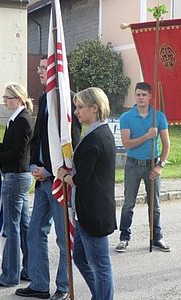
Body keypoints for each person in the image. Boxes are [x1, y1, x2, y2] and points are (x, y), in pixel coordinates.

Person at [15, 56, 81, 300]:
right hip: (41, 179)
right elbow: (38, 138)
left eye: (45, 68)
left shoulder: (68, 100)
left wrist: (53, 172)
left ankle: (63, 287)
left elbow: (72, 144)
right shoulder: (43, 99)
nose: (40, 71)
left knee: (64, 238)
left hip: (59, 181)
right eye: (40, 68)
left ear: (56, 71)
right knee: (35, 232)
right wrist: (34, 164)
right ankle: (40, 285)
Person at [58, 87, 117, 300]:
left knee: (101, 265)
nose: (76, 112)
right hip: (88, 209)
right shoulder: (97, 133)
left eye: (80, 107)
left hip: (94, 212)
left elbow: (80, 179)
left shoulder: (96, 138)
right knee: (80, 258)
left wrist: (63, 175)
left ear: (95, 108)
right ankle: (99, 295)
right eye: (76, 107)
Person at [116, 82, 171, 253]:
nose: (141, 98)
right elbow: (127, 144)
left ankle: (157, 237)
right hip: (132, 164)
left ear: (150, 96)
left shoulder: (159, 117)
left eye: (144, 95)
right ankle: (124, 237)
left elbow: (166, 144)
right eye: (138, 94)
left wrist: (160, 165)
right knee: (128, 204)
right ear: (135, 95)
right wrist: (147, 136)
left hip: (152, 165)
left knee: (154, 205)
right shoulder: (126, 117)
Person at [0, 83, 33, 287]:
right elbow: (12, 146)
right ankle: (29, 270)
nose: (5, 101)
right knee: (23, 225)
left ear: (19, 99)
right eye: (4, 97)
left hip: (15, 177)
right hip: (18, 177)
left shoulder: (23, 120)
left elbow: (18, 152)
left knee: (12, 227)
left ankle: (10, 275)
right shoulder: (15, 119)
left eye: (8, 97)